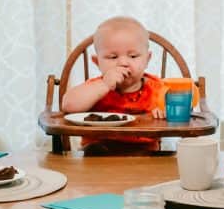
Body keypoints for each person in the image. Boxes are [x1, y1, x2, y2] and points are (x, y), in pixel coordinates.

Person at [61, 16, 168, 153]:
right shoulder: (96, 87)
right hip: (99, 154)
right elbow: (68, 105)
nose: (123, 62)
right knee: (94, 152)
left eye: (133, 56)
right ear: (96, 62)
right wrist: (104, 85)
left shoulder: (157, 88)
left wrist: (165, 113)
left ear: (147, 59)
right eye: (113, 57)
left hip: (145, 154)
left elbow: (183, 112)